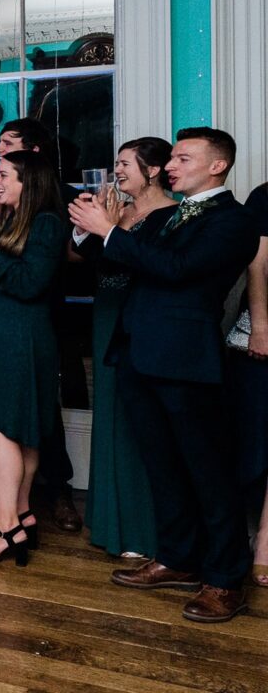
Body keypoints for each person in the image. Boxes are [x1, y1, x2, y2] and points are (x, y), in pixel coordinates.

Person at [69, 127, 258, 622]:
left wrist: (111, 232)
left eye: (183, 158)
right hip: (138, 354)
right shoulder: (168, 215)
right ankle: (178, 558)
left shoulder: (234, 220)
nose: (171, 166)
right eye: (170, 158)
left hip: (186, 360)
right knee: (163, 466)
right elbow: (120, 261)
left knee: (209, 473)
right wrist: (91, 229)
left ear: (217, 165)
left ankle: (224, 580)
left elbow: (177, 268)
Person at [0, 118, 83, 531]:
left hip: (18, 336)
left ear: (27, 179)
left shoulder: (47, 222)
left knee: (3, 430)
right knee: (21, 431)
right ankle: (22, 513)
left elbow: (29, 283)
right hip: (3, 331)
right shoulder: (15, 218)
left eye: (3, 175)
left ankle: (6, 527)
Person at [79, 138, 172, 560]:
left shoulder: (171, 215)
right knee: (109, 414)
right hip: (106, 313)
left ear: (152, 170)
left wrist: (108, 230)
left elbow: (152, 267)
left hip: (141, 320)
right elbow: (90, 260)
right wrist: (87, 227)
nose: (117, 171)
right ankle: (108, 522)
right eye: (115, 164)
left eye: (125, 164)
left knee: (137, 422)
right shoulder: (121, 210)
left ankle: (140, 531)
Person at [223, 181, 268, 589]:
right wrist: (261, 327)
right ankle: (235, 539)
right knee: (250, 441)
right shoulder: (265, 197)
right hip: (262, 335)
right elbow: (257, 264)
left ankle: (266, 541)